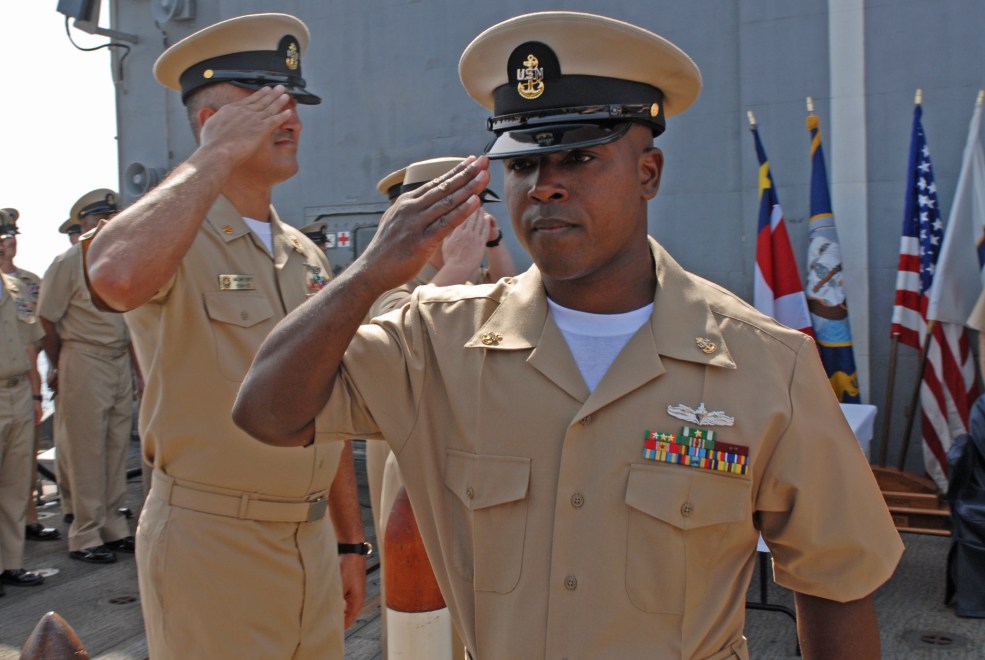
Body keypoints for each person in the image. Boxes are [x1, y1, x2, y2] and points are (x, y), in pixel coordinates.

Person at [235, 11, 906, 659]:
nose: (544, 187)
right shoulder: (433, 343)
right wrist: (371, 273)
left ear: (648, 174)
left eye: (578, 157)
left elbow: (835, 587)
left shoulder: (764, 363)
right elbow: (265, 412)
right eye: (523, 165)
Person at [84, 13, 365, 659]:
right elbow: (116, 277)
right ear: (214, 123)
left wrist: (350, 543)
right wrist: (210, 157)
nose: (290, 116)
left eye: (295, 103)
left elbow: (325, 408)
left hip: (310, 540)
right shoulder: (172, 235)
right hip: (213, 541)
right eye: (266, 104)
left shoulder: (304, 256)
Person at [38, 189, 136, 565]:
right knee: (86, 451)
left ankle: (113, 527)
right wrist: (60, 363)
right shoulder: (68, 262)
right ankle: (85, 534)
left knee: (113, 447)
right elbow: (47, 319)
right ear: (84, 224)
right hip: (85, 358)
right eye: (99, 219)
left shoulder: (121, 259)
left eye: (113, 217)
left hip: (116, 362)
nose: (107, 224)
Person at [0, 210, 60, 542]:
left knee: (17, 474)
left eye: (9, 236)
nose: (7, 242)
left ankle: (15, 550)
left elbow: (34, 339)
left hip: (22, 386)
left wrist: (38, 393)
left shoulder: (24, 286)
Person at [0, 266, 46, 594]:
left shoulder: (15, 287)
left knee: (16, 484)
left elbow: (30, 344)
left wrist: (35, 394)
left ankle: (11, 563)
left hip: (19, 392)